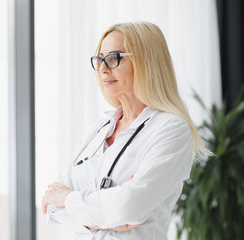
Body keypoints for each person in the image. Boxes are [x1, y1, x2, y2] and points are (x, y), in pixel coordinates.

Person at [41, 22, 210, 240]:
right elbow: (51, 205)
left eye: (114, 58)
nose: (103, 68)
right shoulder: (99, 129)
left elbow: (128, 206)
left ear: (146, 62)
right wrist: (102, 216)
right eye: (100, 59)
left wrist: (67, 199)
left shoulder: (171, 130)